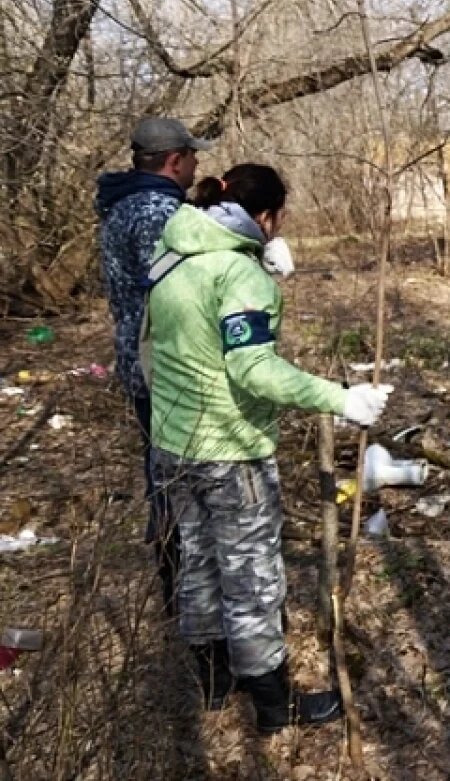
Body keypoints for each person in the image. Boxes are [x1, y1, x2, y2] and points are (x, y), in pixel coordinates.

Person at [143, 163, 391, 732]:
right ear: (265, 217)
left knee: (198, 563)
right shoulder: (237, 274)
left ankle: (212, 683)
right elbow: (255, 369)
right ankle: (275, 707)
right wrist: (341, 398)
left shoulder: (174, 252)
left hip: (172, 446)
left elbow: (154, 345)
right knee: (251, 578)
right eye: (278, 221)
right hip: (230, 451)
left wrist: (253, 265)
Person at [96, 117, 211, 614]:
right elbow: (169, 286)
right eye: (192, 156)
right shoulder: (156, 210)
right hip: (163, 362)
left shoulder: (121, 203)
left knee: (162, 468)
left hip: (138, 356)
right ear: (174, 160)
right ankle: (186, 589)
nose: (197, 164)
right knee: (179, 477)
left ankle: (181, 583)